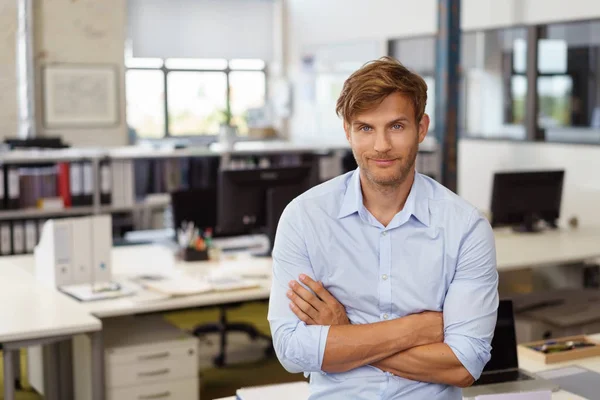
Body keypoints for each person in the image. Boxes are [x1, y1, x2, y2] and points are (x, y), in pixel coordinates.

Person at [267, 56, 499, 399]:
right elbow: (291, 350)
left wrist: (344, 333)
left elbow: (463, 366)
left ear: (421, 128)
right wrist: (415, 329)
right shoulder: (305, 218)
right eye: (365, 128)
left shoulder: (465, 227)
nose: (381, 146)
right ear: (347, 131)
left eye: (397, 126)